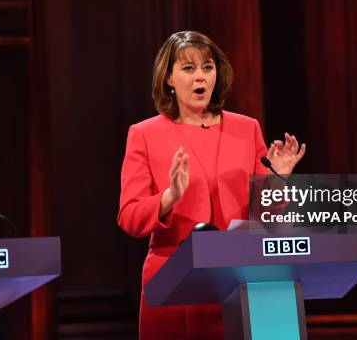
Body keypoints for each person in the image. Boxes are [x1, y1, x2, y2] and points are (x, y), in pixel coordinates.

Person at [118, 31, 306, 339]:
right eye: (188, 68)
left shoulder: (247, 129)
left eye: (207, 67)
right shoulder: (144, 134)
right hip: (174, 286)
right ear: (168, 78)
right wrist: (169, 197)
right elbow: (130, 216)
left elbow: (268, 218)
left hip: (241, 279)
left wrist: (277, 180)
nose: (200, 77)